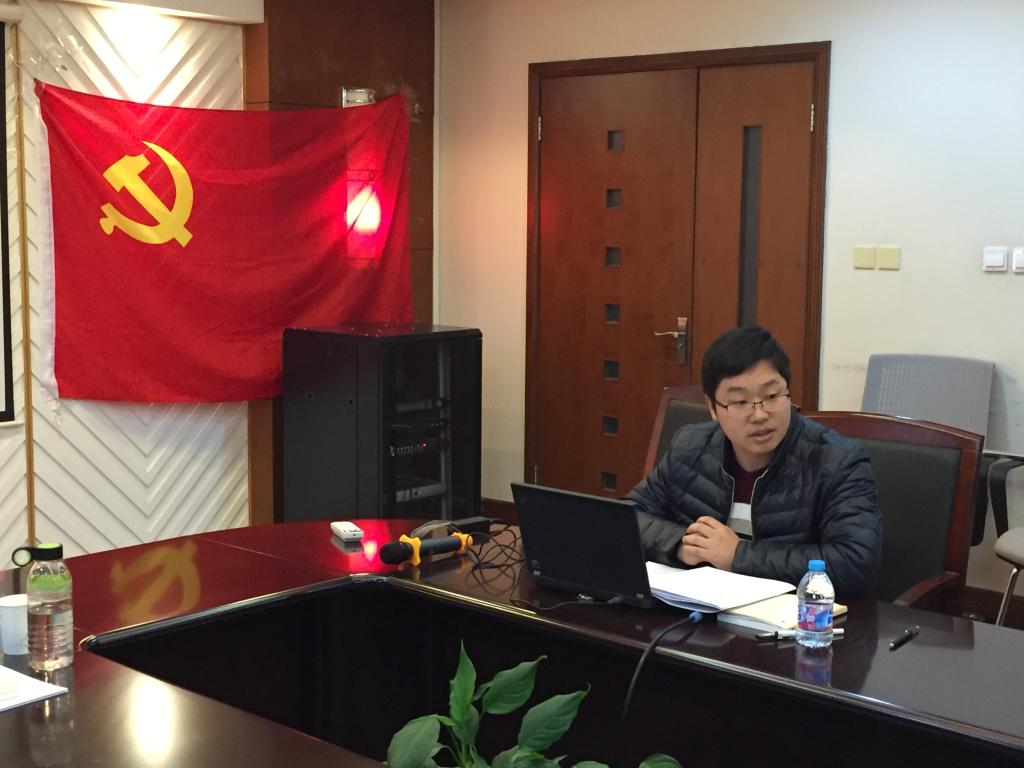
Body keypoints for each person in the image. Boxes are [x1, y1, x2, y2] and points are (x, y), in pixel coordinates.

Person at [627, 326, 881, 597]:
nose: (759, 415)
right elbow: (628, 517)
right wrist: (680, 544)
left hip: (793, 615)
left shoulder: (837, 462)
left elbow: (854, 563)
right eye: (739, 402)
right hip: (700, 610)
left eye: (771, 396)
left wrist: (738, 555)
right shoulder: (690, 447)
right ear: (713, 408)